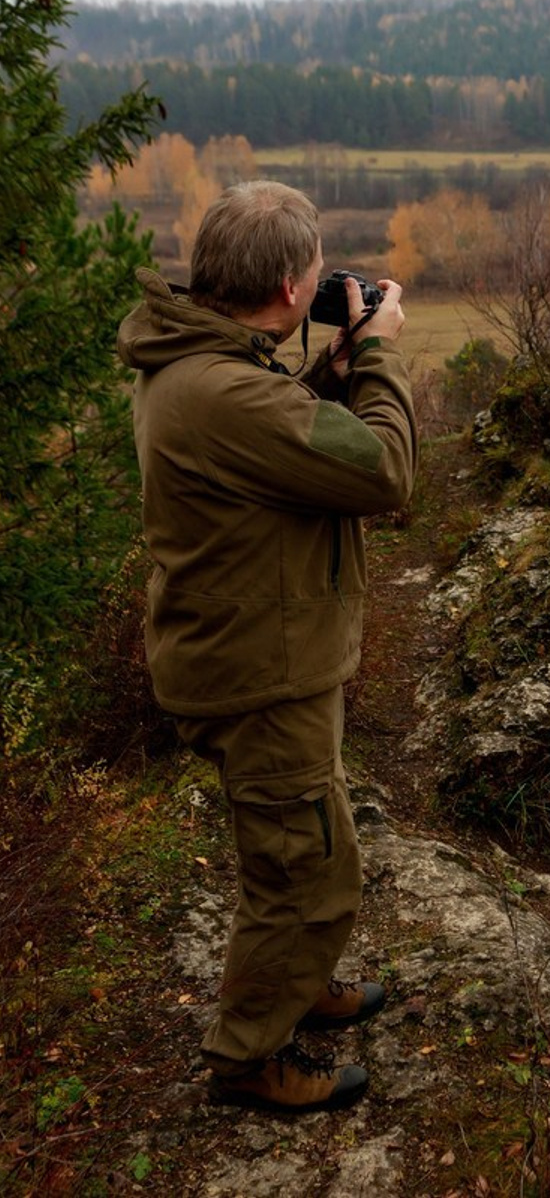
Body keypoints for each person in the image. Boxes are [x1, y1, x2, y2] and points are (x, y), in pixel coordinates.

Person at [116, 181, 418, 1114]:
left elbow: (273, 434)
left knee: (300, 832)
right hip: (258, 668)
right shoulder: (223, 390)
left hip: (263, 652)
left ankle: (298, 977)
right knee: (306, 871)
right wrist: (372, 361)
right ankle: (249, 1055)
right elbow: (382, 472)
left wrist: (323, 373)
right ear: (289, 287)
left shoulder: (203, 361)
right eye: (320, 271)